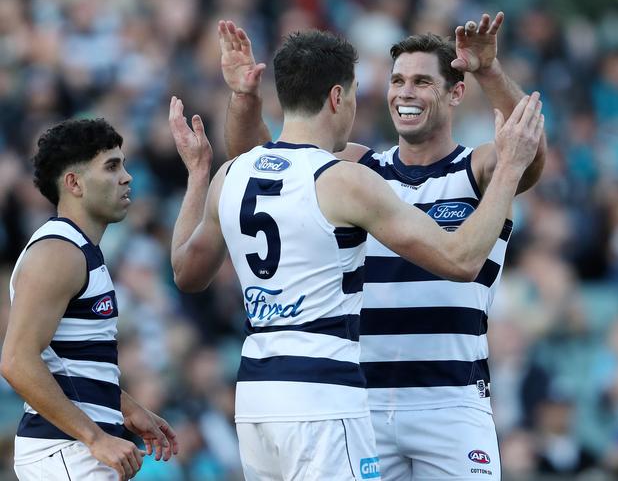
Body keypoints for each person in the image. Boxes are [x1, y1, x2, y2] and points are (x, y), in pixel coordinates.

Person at [170, 27, 542, 480]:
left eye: (422, 81)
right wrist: (245, 100)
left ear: (455, 92)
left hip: (449, 400)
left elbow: (526, 152)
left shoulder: (478, 166)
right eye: (397, 80)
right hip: (361, 399)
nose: (405, 91)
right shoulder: (360, 169)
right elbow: (272, 167)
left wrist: (490, 71)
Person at [0, 119, 179, 481]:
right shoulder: (58, 252)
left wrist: (126, 406)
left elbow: (69, 362)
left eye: (124, 165)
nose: (127, 177)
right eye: (112, 166)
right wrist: (95, 436)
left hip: (74, 449)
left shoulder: (79, 249)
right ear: (74, 183)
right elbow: (16, 361)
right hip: (66, 449)